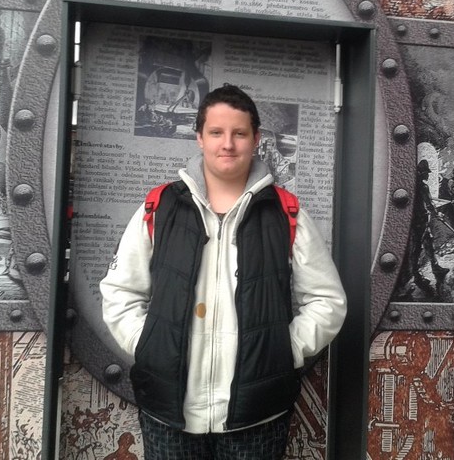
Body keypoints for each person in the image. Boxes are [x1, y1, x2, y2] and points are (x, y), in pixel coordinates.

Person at [100, 84, 347, 460]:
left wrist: (284, 350)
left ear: (256, 139)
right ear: (199, 137)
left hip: (256, 415)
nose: (227, 144)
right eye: (216, 132)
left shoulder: (287, 213)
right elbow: (120, 291)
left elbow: (327, 300)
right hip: (168, 411)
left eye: (239, 133)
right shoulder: (159, 207)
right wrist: (148, 345)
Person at [408, 159, 450, 294]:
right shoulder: (422, 187)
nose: (428, 175)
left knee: (427, 243)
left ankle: (435, 267)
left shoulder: (411, 185)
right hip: (419, 220)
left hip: (416, 219)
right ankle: (416, 276)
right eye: (426, 173)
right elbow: (429, 204)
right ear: (421, 173)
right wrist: (437, 214)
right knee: (417, 247)